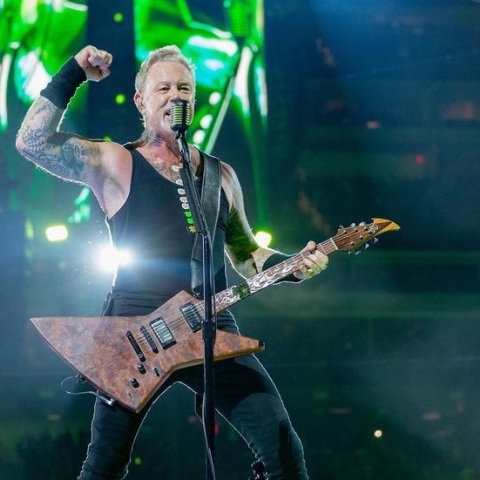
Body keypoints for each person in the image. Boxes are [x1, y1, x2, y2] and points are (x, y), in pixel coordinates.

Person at [16, 44, 329, 480]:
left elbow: (246, 254)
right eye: (163, 88)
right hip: (135, 331)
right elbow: (31, 142)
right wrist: (73, 74)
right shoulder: (116, 161)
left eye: (184, 88)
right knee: (104, 465)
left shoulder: (220, 175)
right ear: (141, 101)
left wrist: (293, 265)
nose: (175, 95)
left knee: (282, 448)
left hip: (213, 324)